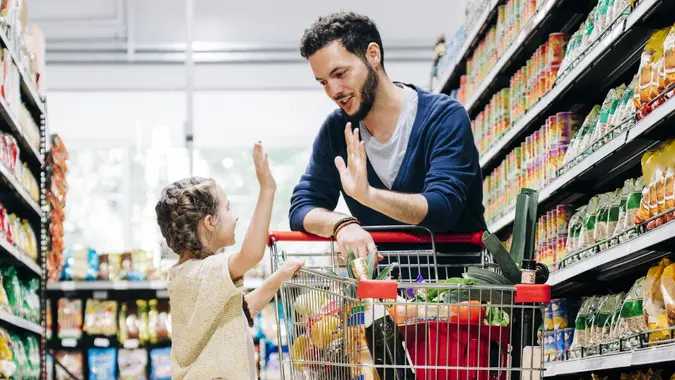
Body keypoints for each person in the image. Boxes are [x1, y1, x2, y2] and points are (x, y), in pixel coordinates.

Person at [289, 12, 487, 262]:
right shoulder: (336, 132)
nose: (334, 91)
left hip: (459, 288)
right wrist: (342, 224)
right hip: (387, 294)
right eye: (323, 82)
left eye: (340, 74)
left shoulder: (444, 117)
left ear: (373, 54)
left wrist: (368, 195)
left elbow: (442, 208)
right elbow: (301, 208)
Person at [156, 143, 303, 380]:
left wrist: (279, 278)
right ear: (210, 222)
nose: (235, 217)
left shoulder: (193, 276)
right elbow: (251, 254)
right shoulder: (202, 273)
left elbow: (244, 311)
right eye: (227, 208)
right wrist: (267, 189)